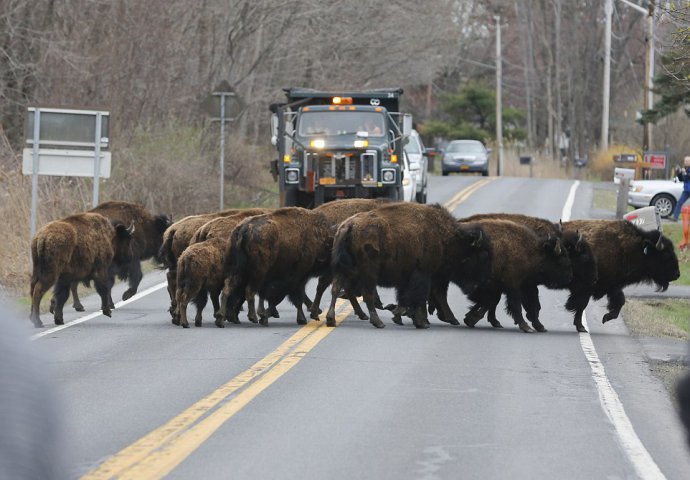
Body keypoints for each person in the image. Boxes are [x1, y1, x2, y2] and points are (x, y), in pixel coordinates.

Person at [672, 156, 690, 222]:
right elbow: (681, 179)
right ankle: (675, 217)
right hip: (686, 190)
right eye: (685, 161)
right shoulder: (685, 169)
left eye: (687, 161)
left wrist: (684, 172)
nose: (686, 162)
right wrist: (679, 172)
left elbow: (688, 177)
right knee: (679, 203)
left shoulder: (686, 170)